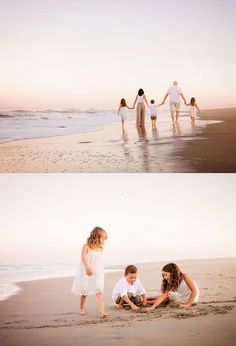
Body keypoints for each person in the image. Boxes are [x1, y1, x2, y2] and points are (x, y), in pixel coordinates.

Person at [71, 226, 110, 318]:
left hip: (98, 272)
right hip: (88, 271)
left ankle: (102, 311)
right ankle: (81, 308)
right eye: (103, 239)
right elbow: (83, 258)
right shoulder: (86, 246)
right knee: (84, 291)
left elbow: (98, 261)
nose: (104, 241)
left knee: (99, 290)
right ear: (96, 237)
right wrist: (87, 267)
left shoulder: (99, 249)